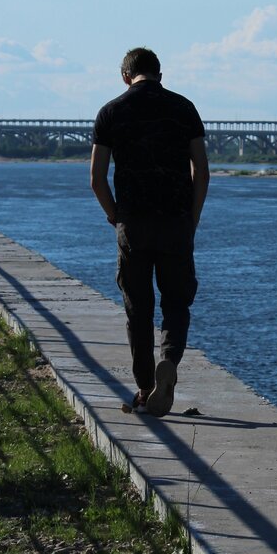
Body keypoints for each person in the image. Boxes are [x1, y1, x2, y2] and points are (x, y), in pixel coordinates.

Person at [90, 47, 210, 416]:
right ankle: (169, 364)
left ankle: (145, 386)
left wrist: (115, 217)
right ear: (160, 73)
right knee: (176, 303)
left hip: (133, 224)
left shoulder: (111, 112)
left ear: (125, 76)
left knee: (137, 308)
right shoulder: (184, 108)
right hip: (175, 221)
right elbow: (201, 171)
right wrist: (192, 217)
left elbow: (96, 179)